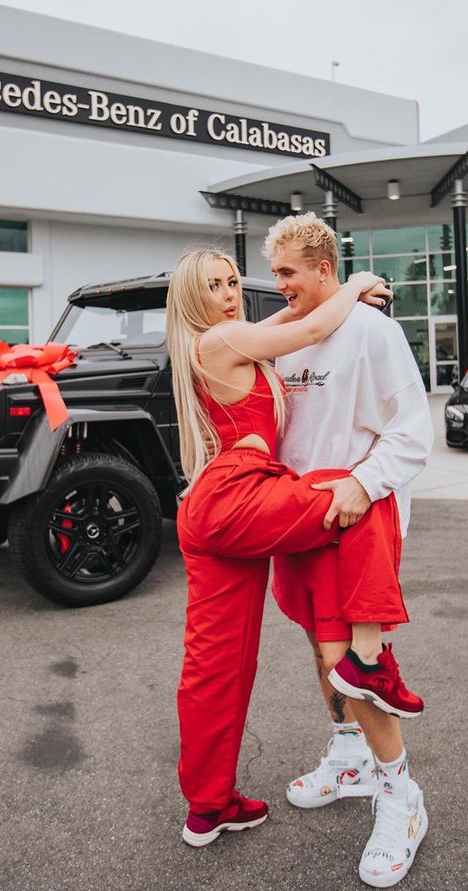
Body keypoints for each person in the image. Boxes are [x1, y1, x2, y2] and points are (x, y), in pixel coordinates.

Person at [166, 248, 422, 851]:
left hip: (214, 508)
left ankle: (209, 807)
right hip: (236, 495)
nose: (231, 293)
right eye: (214, 285)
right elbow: (307, 327)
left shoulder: (223, 340)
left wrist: (330, 296)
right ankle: (371, 659)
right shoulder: (222, 338)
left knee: (216, 662)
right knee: (358, 488)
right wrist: (356, 283)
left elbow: (287, 324)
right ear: (191, 297)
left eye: (234, 281)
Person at [263, 213, 433, 888]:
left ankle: (402, 798)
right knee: (317, 647)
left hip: (359, 519)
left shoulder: (373, 330)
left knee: (355, 663)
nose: (278, 286)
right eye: (275, 273)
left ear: (323, 267)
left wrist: (364, 481)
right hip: (298, 518)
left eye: (287, 273)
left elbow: (414, 428)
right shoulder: (282, 340)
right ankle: (349, 756)